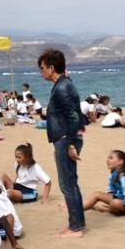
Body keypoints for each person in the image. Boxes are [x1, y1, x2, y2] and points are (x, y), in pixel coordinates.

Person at [39, 48, 86, 238]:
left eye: (43, 68)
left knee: (67, 184)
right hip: (67, 138)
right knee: (71, 182)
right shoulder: (64, 84)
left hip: (66, 139)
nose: (41, 72)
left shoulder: (61, 88)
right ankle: (78, 223)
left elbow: (73, 116)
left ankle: (75, 227)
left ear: (51, 68)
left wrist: (71, 144)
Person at [82, 150, 125, 218]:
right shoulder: (114, 173)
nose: (107, 160)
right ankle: (78, 209)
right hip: (121, 198)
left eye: (111, 158)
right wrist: (109, 197)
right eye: (107, 158)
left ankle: (106, 209)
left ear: (120, 162)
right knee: (97, 194)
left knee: (114, 203)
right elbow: (111, 187)